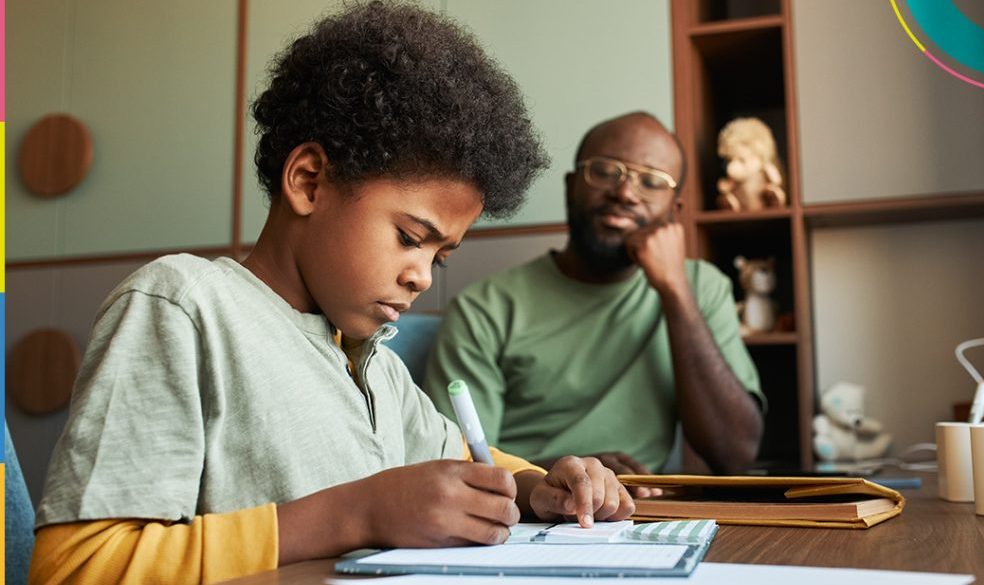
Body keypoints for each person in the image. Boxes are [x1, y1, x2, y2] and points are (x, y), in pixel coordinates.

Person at [29, 4, 634, 583]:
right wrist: (357, 514)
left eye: (439, 256)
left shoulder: (377, 368)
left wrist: (542, 486)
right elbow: (78, 568)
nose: (422, 275)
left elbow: (472, 458)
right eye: (408, 237)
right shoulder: (183, 309)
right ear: (309, 181)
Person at [425, 112, 765, 480]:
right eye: (604, 171)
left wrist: (674, 290)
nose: (625, 193)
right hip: (523, 518)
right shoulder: (485, 309)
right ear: (571, 186)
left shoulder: (700, 288)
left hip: (647, 518)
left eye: (651, 181)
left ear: (674, 212)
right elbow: (454, 468)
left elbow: (736, 455)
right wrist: (564, 472)